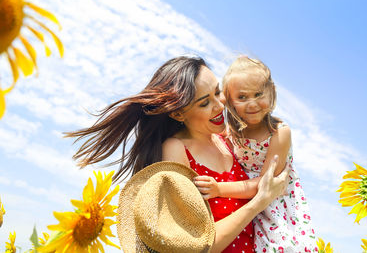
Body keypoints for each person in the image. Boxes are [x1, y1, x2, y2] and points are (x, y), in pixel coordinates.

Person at [65, 56, 290, 252]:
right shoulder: (176, 149)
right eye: (204, 103)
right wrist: (258, 202)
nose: (219, 106)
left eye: (217, 92)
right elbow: (195, 244)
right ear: (179, 113)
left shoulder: (229, 139)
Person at [194, 56, 318, 252]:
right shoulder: (232, 131)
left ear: (272, 92)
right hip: (246, 199)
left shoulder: (278, 132)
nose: (252, 104)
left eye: (259, 94)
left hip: (275, 203)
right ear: (230, 101)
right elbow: (218, 99)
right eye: (242, 97)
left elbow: (265, 184)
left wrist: (218, 189)